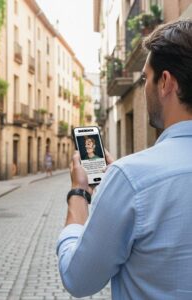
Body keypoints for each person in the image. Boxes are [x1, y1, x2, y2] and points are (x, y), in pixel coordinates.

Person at [57, 19, 192, 300]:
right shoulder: (128, 178)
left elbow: (78, 279)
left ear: (165, 82)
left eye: (145, 78)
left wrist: (79, 194)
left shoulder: (131, 178)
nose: (144, 87)